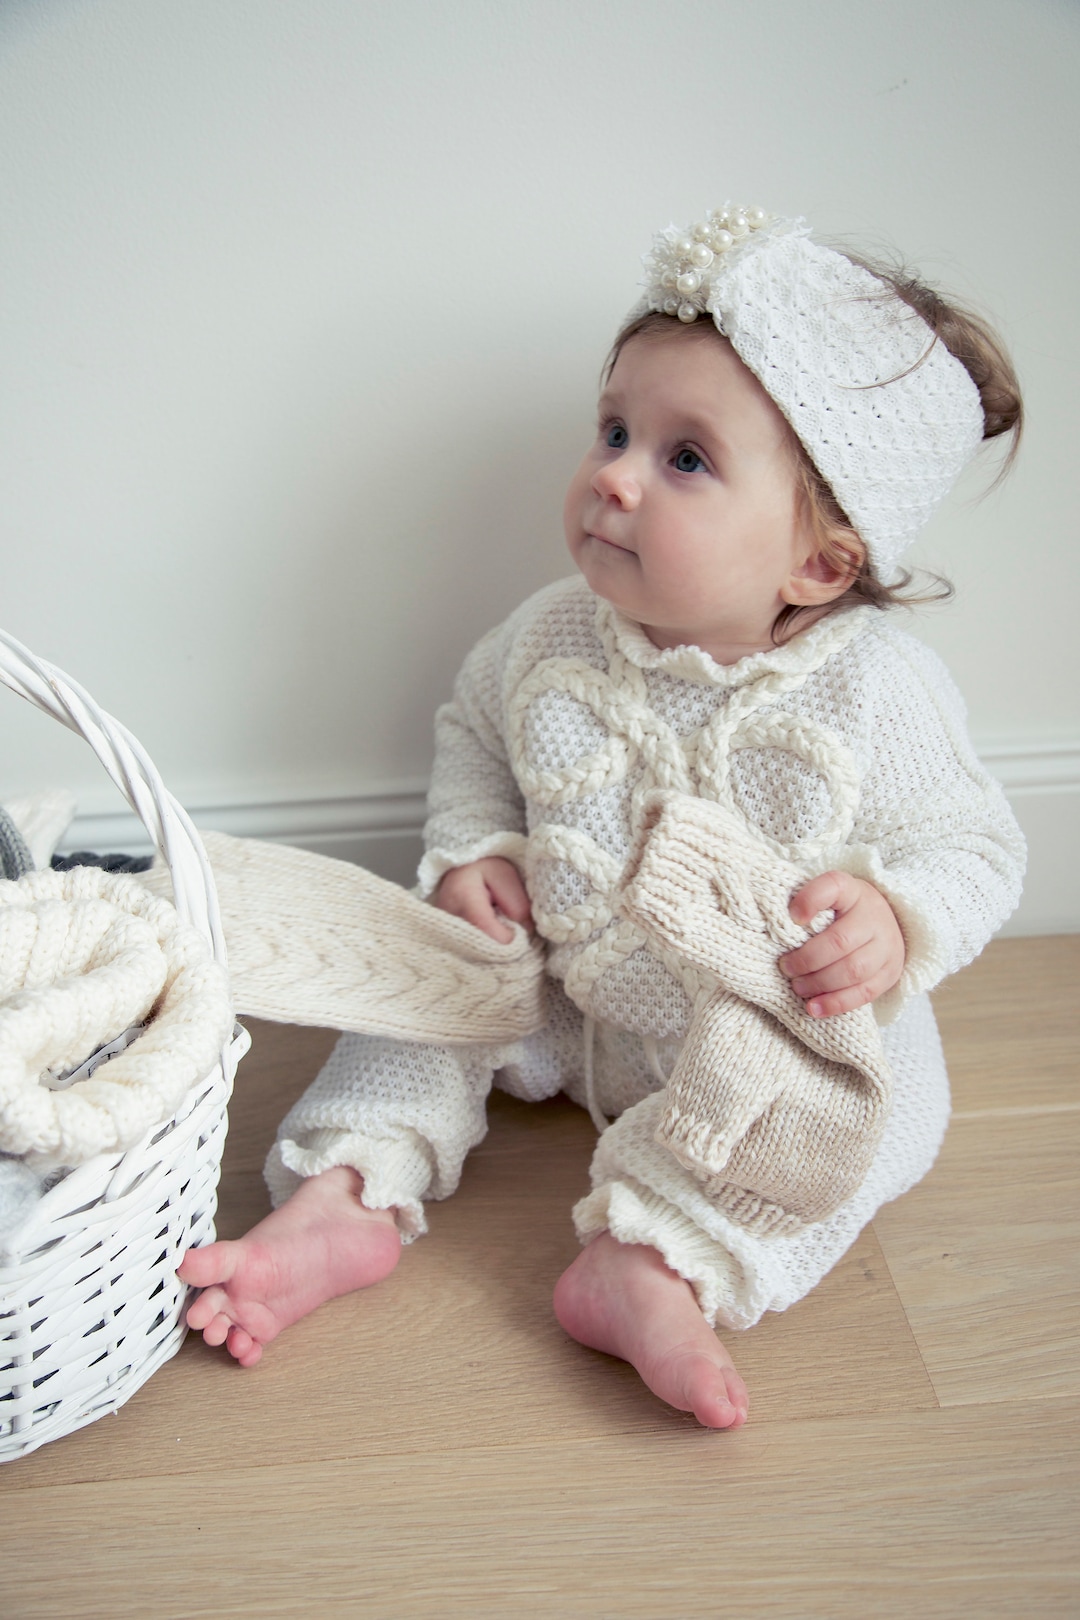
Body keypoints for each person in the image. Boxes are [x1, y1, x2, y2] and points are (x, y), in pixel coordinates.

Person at [178, 203, 1025, 1428]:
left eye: (685, 459)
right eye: (615, 429)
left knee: (892, 1105)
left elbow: (979, 844)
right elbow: (474, 734)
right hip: (566, 999)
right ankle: (347, 1193)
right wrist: (476, 852)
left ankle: (656, 1260)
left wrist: (897, 915)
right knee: (426, 971)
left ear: (819, 565)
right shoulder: (546, 637)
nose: (615, 477)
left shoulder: (878, 691)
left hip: (759, 1035)